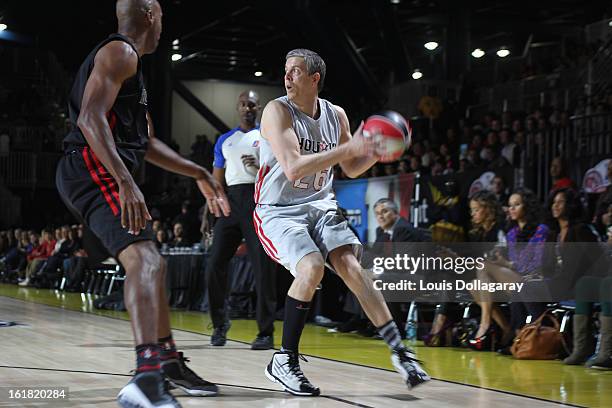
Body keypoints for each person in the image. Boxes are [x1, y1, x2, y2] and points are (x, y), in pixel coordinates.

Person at [55, 1, 230, 407]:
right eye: (163, 13)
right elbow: (89, 119)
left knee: (155, 261)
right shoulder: (121, 52)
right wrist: (125, 180)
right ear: (151, 14)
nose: (165, 19)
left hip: (97, 170)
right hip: (91, 168)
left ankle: (165, 361)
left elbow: (145, 143)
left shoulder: (132, 64)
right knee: (146, 262)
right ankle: (146, 375)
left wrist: (199, 173)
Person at [255, 48, 429, 396]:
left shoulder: (336, 115)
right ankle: (284, 359)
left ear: (314, 79)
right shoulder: (277, 111)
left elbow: (350, 168)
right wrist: (350, 150)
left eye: (295, 71)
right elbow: (294, 167)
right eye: (286, 70)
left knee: (353, 267)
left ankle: (400, 352)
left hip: (320, 204)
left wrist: (375, 152)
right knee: (311, 268)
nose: (287, 77)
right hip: (277, 210)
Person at [205, 90, 277, 350]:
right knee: (214, 264)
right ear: (238, 107)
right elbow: (215, 181)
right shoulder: (225, 140)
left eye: (253, 105)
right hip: (230, 202)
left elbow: (280, 175)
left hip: (258, 200)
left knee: (263, 268)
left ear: (259, 108)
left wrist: (259, 170)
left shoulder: (267, 138)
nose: (248, 108)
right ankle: (219, 324)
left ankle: (265, 332)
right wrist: (208, 211)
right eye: (244, 104)